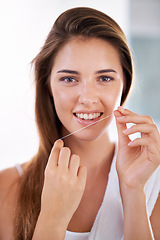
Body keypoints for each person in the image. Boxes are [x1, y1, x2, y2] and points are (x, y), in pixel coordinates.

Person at [0, 7, 160, 240]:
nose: (87, 98)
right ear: (48, 85)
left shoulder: (152, 182)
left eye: (104, 78)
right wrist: (51, 219)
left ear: (125, 84)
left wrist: (134, 192)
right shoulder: (7, 188)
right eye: (69, 79)